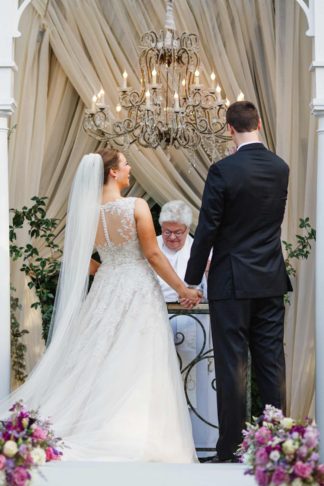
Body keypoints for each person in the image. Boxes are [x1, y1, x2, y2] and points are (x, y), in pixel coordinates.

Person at [0, 148, 201, 463]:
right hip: (136, 288)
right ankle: (138, 439)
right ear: (112, 172)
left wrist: (107, 268)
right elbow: (152, 255)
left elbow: (79, 259)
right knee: (138, 359)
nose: (130, 168)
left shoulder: (85, 211)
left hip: (106, 286)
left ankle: (93, 426)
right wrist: (183, 289)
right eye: (125, 164)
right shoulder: (135, 206)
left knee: (98, 357)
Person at [184, 101, 292, 462]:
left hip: (231, 280)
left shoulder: (223, 170)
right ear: (258, 124)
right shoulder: (280, 168)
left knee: (233, 366)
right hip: (271, 278)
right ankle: (276, 446)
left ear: (229, 128)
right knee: (271, 363)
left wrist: (191, 280)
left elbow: (208, 229)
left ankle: (231, 449)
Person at [156, 201, 217, 456]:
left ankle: (198, 443)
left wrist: (197, 293)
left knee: (195, 382)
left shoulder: (200, 249)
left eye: (178, 232)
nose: (172, 237)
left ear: (186, 228)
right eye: (167, 231)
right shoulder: (152, 247)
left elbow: (210, 282)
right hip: (158, 318)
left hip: (195, 321)